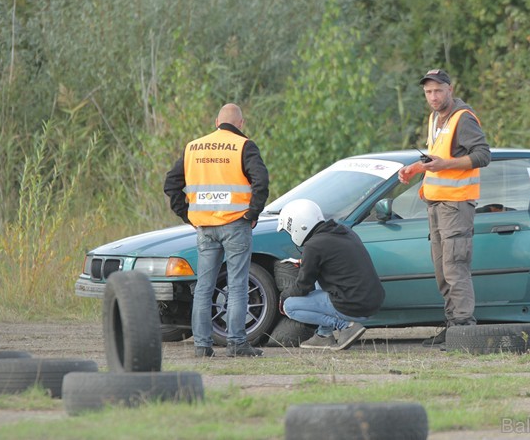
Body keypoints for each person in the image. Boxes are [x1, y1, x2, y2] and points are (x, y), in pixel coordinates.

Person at [164, 103, 269, 358]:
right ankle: (236, 343)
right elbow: (261, 180)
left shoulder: (193, 147)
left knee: (203, 287)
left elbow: (171, 183)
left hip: (205, 228)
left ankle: (202, 346)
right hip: (236, 224)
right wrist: (253, 213)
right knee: (237, 284)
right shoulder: (244, 146)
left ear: (215, 122)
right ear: (240, 124)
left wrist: (187, 214)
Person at [398, 69, 491, 347]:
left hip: (456, 204)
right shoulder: (435, 119)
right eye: (428, 92)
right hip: (436, 204)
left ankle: (463, 328)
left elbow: (483, 155)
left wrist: (445, 166)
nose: (433, 96)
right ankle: (452, 327)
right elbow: (436, 159)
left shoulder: (463, 118)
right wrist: (416, 168)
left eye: (438, 90)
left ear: (450, 89)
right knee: (442, 271)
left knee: (455, 267)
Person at [276, 199, 385, 351]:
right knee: (319, 277)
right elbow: (335, 262)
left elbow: (303, 287)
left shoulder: (314, 246)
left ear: (299, 225)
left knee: (290, 306)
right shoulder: (342, 231)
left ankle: (346, 327)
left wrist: (284, 296)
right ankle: (323, 335)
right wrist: (305, 262)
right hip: (372, 301)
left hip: (353, 307)